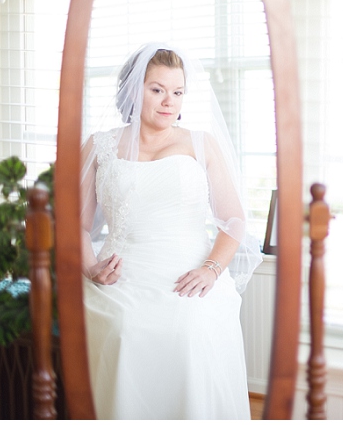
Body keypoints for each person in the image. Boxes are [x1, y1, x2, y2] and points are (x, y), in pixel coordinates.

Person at [79, 43, 262, 419]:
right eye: (157, 89)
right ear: (133, 90)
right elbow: (78, 227)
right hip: (118, 277)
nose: (169, 102)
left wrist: (211, 270)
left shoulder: (200, 143)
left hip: (189, 271)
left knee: (191, 329)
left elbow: (234, 221)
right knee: (124, 329)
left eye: (178, 92)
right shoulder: (99, 146)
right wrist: (90, 269)